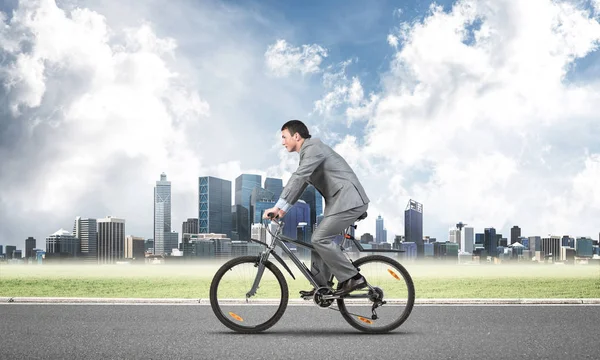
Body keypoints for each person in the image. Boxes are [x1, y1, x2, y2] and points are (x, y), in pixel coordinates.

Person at [263, 120, 370, 297]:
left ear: (296, 136)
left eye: (284, 137)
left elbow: (298, 177)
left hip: (349, 201)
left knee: (320, 239)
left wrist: (277, 206)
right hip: (341, 202)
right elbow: (302, 183)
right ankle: (322, 287)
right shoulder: (308, 153)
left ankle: (353, 278)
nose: (282, 142)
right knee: (318, 242)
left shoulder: (313, 148)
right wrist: (283, 210)